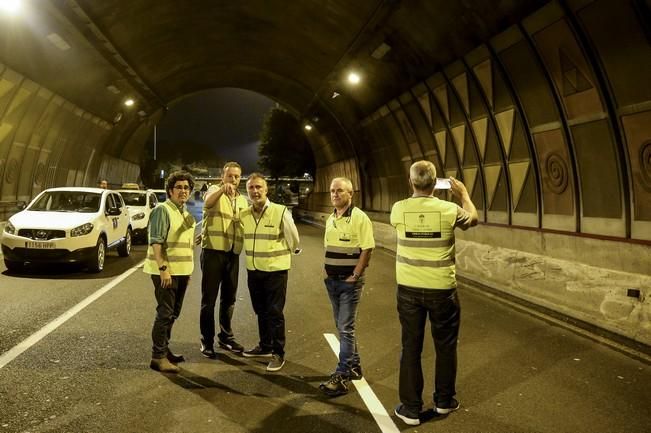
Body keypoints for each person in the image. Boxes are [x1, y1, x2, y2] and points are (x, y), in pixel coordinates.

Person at [390, 160, 478, 426]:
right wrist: (464, 195)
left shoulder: (398, 209)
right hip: (442, 289)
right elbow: (472, 219)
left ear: (411, 181)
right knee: (446, 347)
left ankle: (411, 408)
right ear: (435, 184)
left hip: (408, 289)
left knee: (411, 347)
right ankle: (443, 401)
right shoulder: (449, 209)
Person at [319, 177, 374, 397]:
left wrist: (355, 275)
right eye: (332, 191)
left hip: (349, 282)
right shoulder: (330, 218)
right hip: (332, 281)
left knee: (345, 327)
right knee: (342, 326)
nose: (334, 194)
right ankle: (355, 366)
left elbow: (367, 249)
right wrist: (326, 272)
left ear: (350, 194)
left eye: (339, 191)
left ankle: (342, 375)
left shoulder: (360, 218)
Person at [240, 173, 299, 372]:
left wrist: (285, 255)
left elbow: (294, 239)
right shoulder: (244, 215)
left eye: (258, 187)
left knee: (274, 312)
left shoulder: (280, 211)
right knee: (260, 311)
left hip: (275, 270)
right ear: (247, 191)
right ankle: (265, 346)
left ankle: (278, 353)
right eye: (251, 188)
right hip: (254, 269)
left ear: (266, 190)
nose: (255, 191)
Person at [145, 170, 197, 374]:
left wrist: (188, 272)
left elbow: (184, 245)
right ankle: (157, 357)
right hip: (166, 272)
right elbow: (157, 242)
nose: (183, 191)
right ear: (170, 190)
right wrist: (163, 269)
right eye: (179, 187)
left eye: (186, 188)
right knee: (165, 313)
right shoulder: (163, 210)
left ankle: (164, 350)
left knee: (173, 313)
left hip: (182, 272)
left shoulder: (184, 212)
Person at [199, 162, 249, 358]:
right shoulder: (214, 190)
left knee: (229, 299)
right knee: (209, 300)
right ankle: (207, 341)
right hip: (213, 252)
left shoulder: (243, 200)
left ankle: (226, 337)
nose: (233, 180)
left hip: (232, 254)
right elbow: (207, 204)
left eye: (237, 177)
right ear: (223, 176)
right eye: (230, 176)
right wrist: (221, 190)